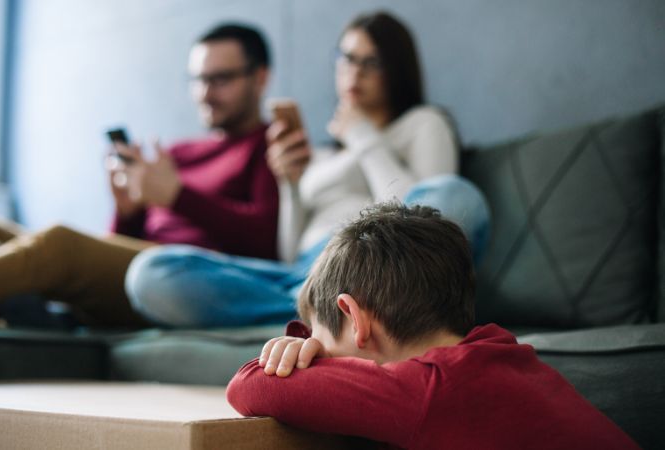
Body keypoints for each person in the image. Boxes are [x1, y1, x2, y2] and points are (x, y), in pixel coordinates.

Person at [125, 11, 489, 327]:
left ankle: (332, 308)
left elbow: (424, 229)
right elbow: (287, 252)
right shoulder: (322, 155)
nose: (354, 73)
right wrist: (291, 185)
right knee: (152, 272)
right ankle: (324, 310)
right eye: (346, 58)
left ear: (396, 68)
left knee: (457, 194)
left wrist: (362, 135)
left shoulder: (423, 124)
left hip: (376, 263)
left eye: (370, 62)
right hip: (304, 273)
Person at [0, 23, 279, 326]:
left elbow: (264, 243)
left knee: (60, 245)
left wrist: (178, 197)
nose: (205, 93)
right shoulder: (175, 153)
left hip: (181, 278)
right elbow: (117, 243)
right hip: (131, 269)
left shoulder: (270, 146)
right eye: (198, 79)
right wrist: (125, 211)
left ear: (260, 77)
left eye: (221, 79)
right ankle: (35, 313)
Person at [226, 202, 639, 450]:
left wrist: (288, 361)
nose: (316, 354)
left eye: (319, 341)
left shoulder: (430, 390)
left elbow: (247, 386)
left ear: (354, 319)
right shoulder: (497, 355)